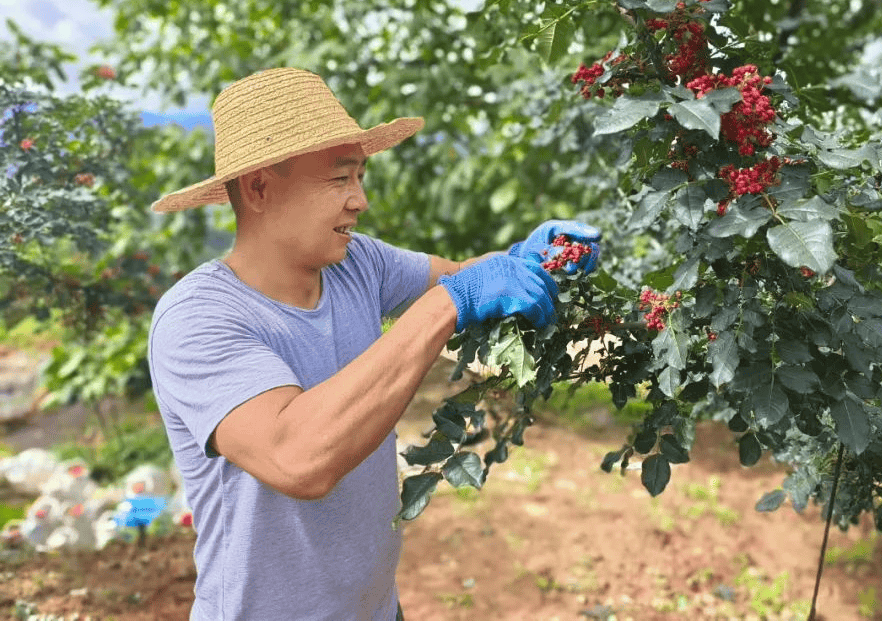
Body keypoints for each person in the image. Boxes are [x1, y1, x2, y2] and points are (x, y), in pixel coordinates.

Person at [146, 67, 601, 621]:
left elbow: (461, 276)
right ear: (260, 187)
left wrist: (525, 259)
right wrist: (447, 304)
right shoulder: (198, 317)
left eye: (360, 177)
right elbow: (297, 457)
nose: (359, 200)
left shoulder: (356, 263)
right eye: (339, 179)